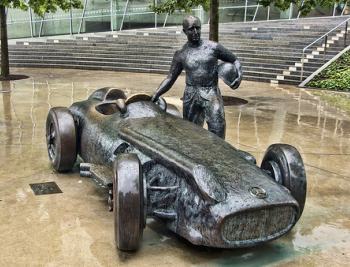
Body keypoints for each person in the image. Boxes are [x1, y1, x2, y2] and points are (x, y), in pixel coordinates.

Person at [151, 15, 242, 139]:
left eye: (198, 28)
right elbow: (170, 78)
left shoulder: (213, 47)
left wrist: (239, 74)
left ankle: (219, 155)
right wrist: (156, 94)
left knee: (218, 126)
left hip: (211, 92)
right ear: (184, 31)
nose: (195, 32)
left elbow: (235, 60)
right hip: (191, 94)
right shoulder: (181, 54)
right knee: (191, 132)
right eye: (191, 29)